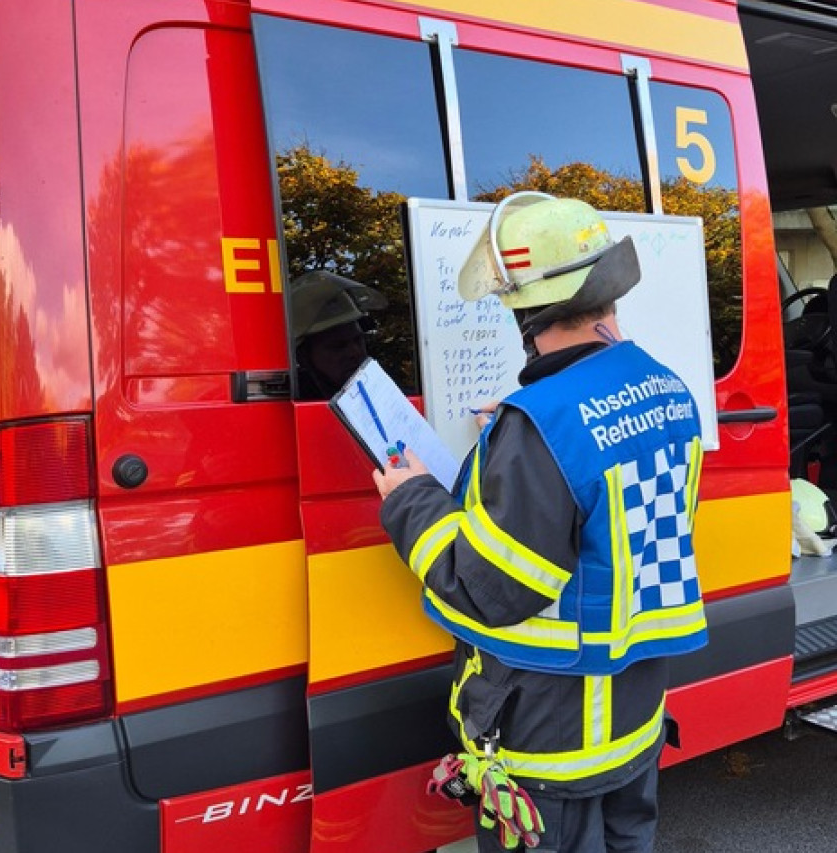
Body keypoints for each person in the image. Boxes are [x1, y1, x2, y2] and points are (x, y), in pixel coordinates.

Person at [372, 192, 708, 853]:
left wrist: (409, 495)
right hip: (633, 719)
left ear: (526, 313)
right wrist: (527, 431)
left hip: (553, 739)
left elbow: (491, 587)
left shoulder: (541, 425)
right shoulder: (666, 386)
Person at [288, 269, 387, 399]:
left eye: (358, 340)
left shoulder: (386, 396)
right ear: (303, 356)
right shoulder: (296, 405)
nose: (355, 352)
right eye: (338, 346)